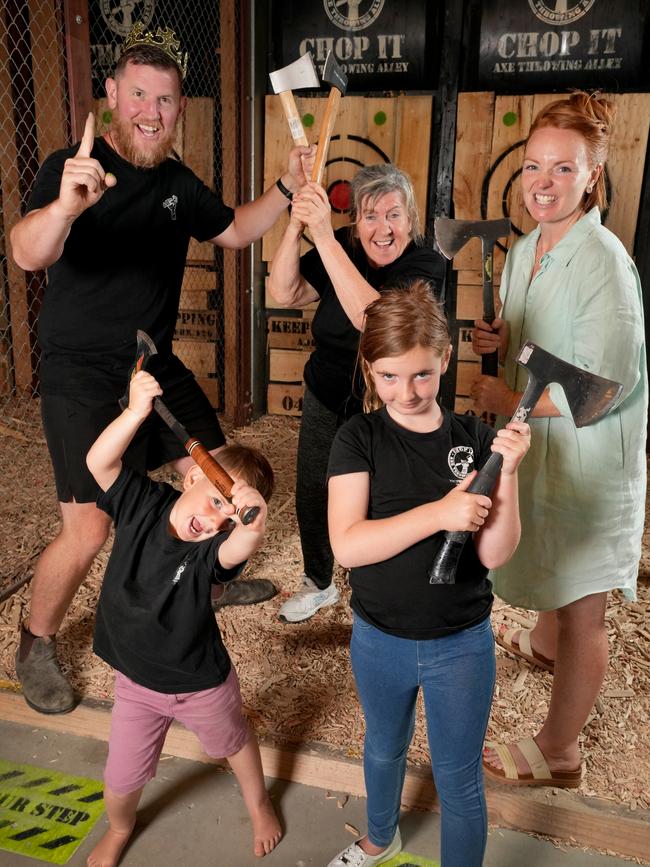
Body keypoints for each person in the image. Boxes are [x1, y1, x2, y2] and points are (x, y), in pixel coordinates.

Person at [10, 23, 312, 714]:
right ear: (112, 96)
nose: (151, 111)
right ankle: (35, 640)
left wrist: (286, 188)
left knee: (217, 470)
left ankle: (203, 577)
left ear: (180, 109)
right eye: (139, 95)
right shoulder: (73, 167)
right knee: (88, 526)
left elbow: (234, 228)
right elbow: (28, 252)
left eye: (166, 100)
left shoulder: (174, 181)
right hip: (81, 372)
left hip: (151, 360)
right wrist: (64, 206)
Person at [471, 92, 647, 788]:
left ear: (593, 176)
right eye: (533, 166)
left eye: (563, 170)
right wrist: (498, 339)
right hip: (547, 445)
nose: (542, 183)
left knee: (584, 607)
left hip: (593, 454)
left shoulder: (603, 260)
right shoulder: (527, 250)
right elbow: (532, 343)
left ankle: (561, 748)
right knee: (551, 553)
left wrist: (502, 397)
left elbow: (601, 387)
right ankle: (542, 643)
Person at [326, 281, 530, 867]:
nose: (407, 391)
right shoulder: (358, 439)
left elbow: (493, 555)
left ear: (444, 359)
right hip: (379, 639)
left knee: (458, 777)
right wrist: (440, 513)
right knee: (383, 749)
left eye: (421, 374)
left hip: (460, 646)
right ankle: (379, 836)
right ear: (370, 370)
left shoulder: (476, 441)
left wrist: (508, 475)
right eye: (389, 376)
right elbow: (348, 544)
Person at [84, 368, 281, 867]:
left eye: (227, 514)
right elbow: (98, 461)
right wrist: (133, 414)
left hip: (200, 684)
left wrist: (250, 523)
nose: (215, 519)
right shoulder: (143, 503)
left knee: (233, 741)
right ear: (192, 475)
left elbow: (238, 547)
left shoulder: (214, 549)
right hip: (135, 684)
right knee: (120, 781)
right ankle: (121, 829)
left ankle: (258, 804)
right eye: (217, 500)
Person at [268, 164, 446, 623]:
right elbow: (283, 291)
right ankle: (319, 582)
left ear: (411, 219)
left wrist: (325, 238)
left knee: (388, 497)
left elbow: (378, 323)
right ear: (355, 222)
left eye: (394, 214)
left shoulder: (425, 265)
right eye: (370, 215)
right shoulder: (342, 246)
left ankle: (384, 587)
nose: (383, 228)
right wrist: (297, 225)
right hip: (326, 395)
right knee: (313, 490)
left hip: (391, 406)